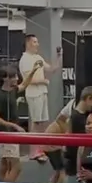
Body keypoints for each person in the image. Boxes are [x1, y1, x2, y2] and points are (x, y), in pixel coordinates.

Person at [18, 34, 59, 162]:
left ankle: (40, 149)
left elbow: (51, 69)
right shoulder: (25, 59)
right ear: (28, 43)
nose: (37, 44)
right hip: (33, 93)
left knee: (42, 123)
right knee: (35, 123)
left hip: (42, 92)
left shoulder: (38, 57)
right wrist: (43, 81)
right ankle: (33, 152)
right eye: (35, 42)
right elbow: (28, 80)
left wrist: (59, 56)